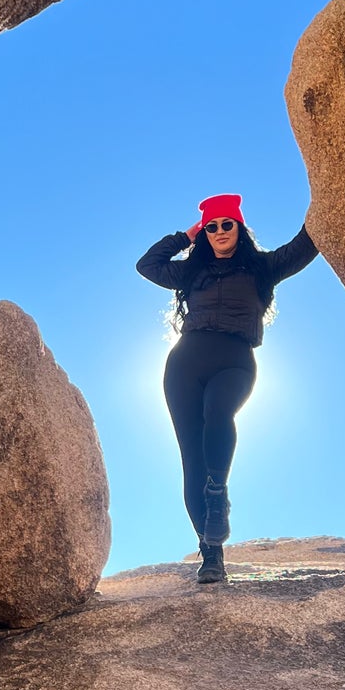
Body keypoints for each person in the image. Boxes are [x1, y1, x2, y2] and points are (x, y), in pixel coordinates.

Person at [136, 194, 318, 585]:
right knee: (191, 463)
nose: (220, 231)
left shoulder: (262, 268)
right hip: (184, 366)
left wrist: (328, 195)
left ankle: (217, 492)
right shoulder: (191, 272)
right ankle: (211, 556)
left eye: (227, 224)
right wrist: (186, 236)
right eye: (212, 226)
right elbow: (147, 265)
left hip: (235, 362)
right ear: (206, 232)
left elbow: (309, 242)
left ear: (239, 227)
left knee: (219, 412)